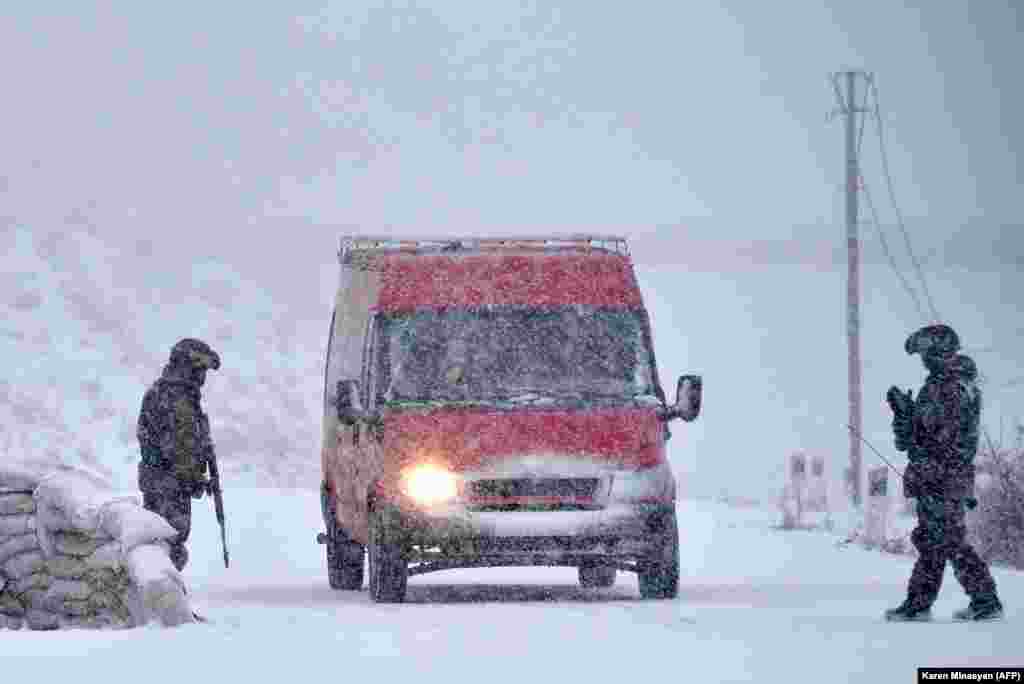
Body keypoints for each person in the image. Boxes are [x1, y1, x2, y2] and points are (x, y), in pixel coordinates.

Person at [884, 324, 1004, 622]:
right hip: (938, 477)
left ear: (939, 351)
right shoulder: (944, 384)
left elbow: (937, 440)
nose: (923, 359)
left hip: (943, 477)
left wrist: (909, 419)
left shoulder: (951, 388)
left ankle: (978, 601)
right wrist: (905, 415)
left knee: (945, 540)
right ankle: (929, 604)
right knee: (936, 540)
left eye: (926, 352)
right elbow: (914, 439)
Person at [136, 338, 221, 572]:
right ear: (187, 367)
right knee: (166, 547)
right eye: (199, 370)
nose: (202, 377)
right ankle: (162, 603)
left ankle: (164, 601)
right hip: (167, 488)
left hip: (165, 485)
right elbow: (177, 449)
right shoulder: (175, 399)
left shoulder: (170, 394)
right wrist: (193, 478)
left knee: (164, 546)